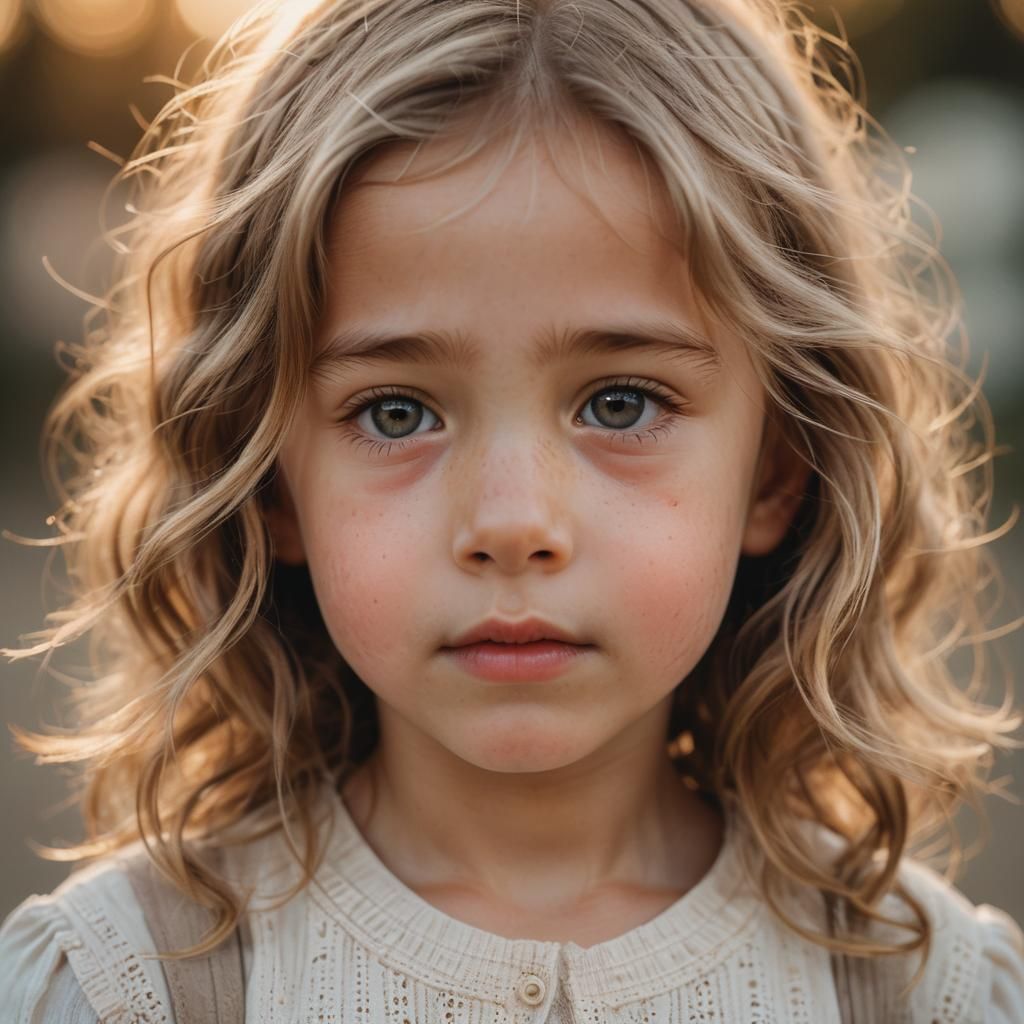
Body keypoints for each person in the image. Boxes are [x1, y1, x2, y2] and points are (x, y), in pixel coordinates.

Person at [1, 0, 1023, 1020]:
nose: (511, 523)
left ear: (774, 473)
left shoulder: (917, 988)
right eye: (397, 412)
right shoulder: (129, 983)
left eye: (620, 403)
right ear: (268, 481)